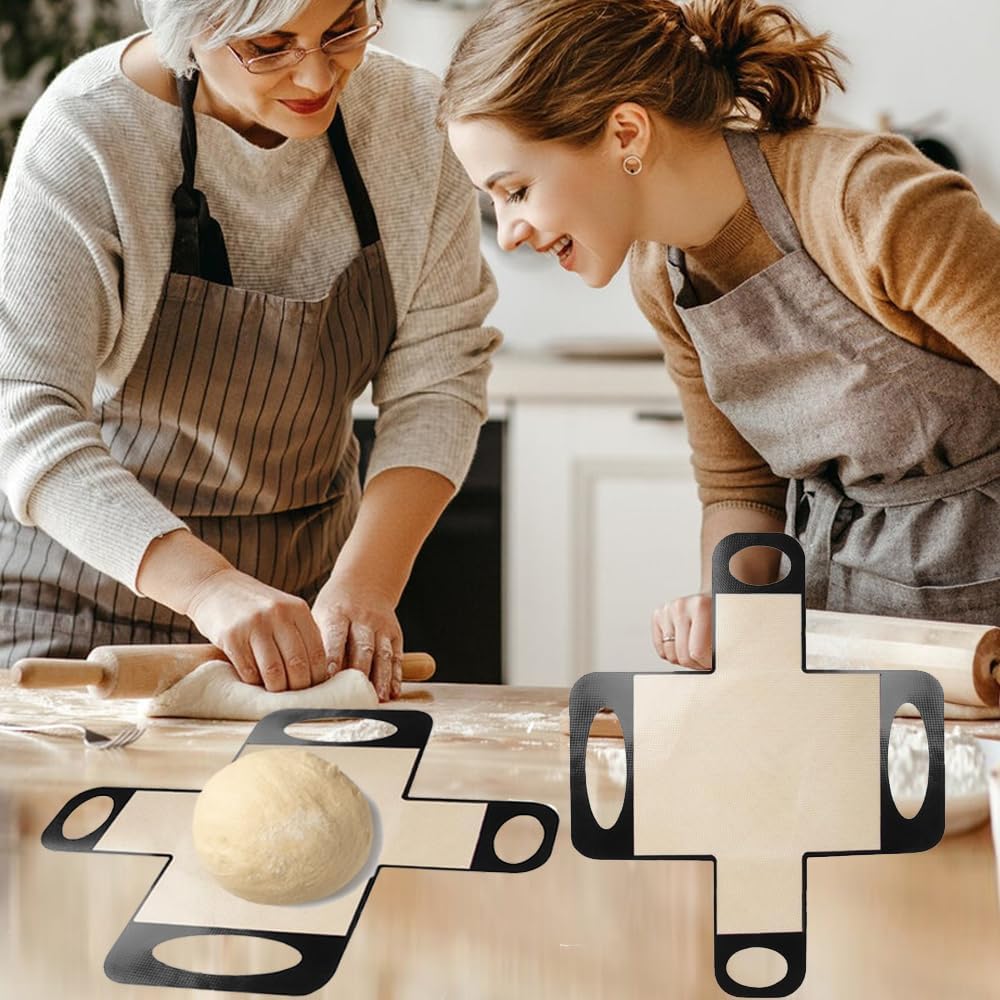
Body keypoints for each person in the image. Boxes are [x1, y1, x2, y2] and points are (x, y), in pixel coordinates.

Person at [439, 0, 1000, 669]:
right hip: (840, 618)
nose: (508, 232)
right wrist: (725, 604)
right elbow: (741, 491)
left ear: (625, 133)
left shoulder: (866, 201)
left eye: (517, 190)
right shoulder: (660, 274)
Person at [0, 0, 500, 700]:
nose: (318, 74)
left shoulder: (413, 121)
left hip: (300, 624)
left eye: (343, 29)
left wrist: (364, 584)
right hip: (79, 617)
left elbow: (439, 380)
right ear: (189, 31)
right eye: (269, 46)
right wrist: (208, 587)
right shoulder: (89, 132)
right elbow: (29, 414)